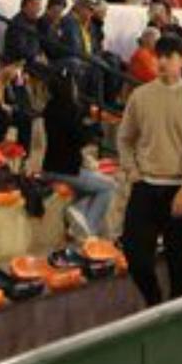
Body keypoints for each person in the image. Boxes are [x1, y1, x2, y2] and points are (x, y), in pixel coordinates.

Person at [118, 35, 182, 305]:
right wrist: (131, 170)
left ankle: (180, 324)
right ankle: (155, 302)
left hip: (180, 189)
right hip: (145, 186)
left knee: (180, 268)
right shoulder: (141, 95)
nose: (161, 61)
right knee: (136, 257)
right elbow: (124, 138)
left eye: (168, 56)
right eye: (158, 55)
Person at [42, 70, 117, 240]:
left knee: (90, 189)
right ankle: (88, 228)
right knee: (110, 186)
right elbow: (79, 138)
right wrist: (94, 130)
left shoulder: (49, 107)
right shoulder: (70, 108)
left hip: (50, 166)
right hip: (67, 169)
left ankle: (78, 215)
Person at [3, 0, 45, 69]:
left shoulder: (32, 22)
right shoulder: (18, 24)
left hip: (30, 62)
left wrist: (41, 54)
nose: (39, 9)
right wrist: (36, 57)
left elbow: (37, 43)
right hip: (19, 65)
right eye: (37, 5)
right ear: (28, 5)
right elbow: (20, 51)